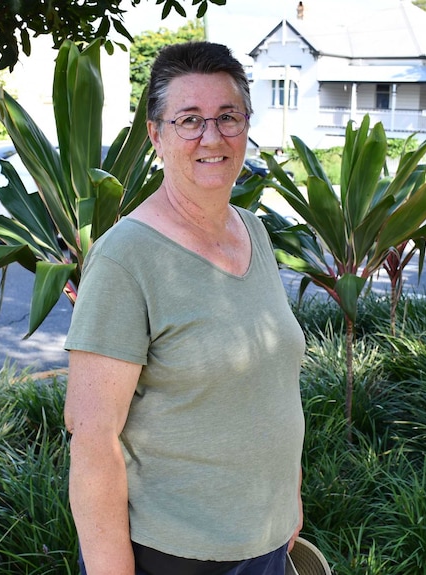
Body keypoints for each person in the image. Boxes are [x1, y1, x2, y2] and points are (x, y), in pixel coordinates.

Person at [63, 41, 306, 575]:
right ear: (156, 134)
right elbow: (92, 435)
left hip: (263, 541)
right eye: (189, 120)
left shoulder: (255, 231)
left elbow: (270, 385)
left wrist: (288, 501)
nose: (212, 137)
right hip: (174, 556)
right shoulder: (127, 258)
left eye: (227, 117)